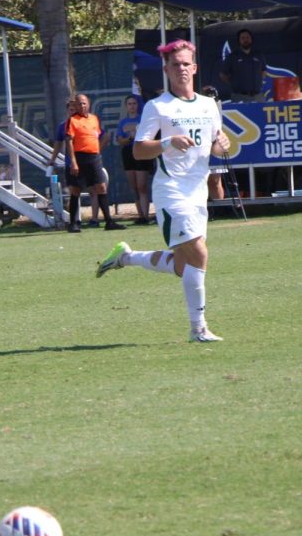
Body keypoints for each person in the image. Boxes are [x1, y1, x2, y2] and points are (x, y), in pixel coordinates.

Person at [95, 39, 231, 343]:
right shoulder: (158, 107)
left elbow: (220, 145)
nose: (181, 69)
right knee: (199, 254)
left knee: (184, 266)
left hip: (198, 193)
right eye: (175, 65)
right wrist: (168, 142)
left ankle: (126, 257)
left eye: (186, 64)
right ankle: (198, 329)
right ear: (166, 70)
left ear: (194, 67)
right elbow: (140, 150)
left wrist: (223, 146)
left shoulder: (209, 105)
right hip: (172, 193)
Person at [65, 92, 122, 232]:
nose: (82, 106)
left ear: (88, 104)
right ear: (75, 105)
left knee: (101, 187)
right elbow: (69, 142)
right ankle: (73, 223)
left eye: (84, 103)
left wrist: (97, 149)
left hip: (94, 158)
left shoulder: (94, 119)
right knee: (76, 190)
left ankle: (109, 221)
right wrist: (73, 162)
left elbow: (99, 136)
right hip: (79, 158)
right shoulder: (72, 120)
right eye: (79, 103)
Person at [115, 94, 154, 224]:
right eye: (129, 104)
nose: (132, 106)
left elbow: (148, 136)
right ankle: (140, 215)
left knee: (142, 186)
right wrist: (129, 138)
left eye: (134, 104)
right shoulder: (122, 122)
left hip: (142, 152)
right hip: (128, 153)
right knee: (134, 186)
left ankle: (146, 216)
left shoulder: (143, 120)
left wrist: (137, 137)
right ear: (126, 106)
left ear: (138, 105)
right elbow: (120, 140)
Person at [219, 28, 267, 102]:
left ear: (251, 39)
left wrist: (259, 82)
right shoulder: (232, 56)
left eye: (248, 37)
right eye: (243, 38)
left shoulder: (259, 55)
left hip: (258, 96)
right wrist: (233, 84)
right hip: (239, 96)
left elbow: (264, 71)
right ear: (239, 40)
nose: (246, 40)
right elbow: (222, 74)